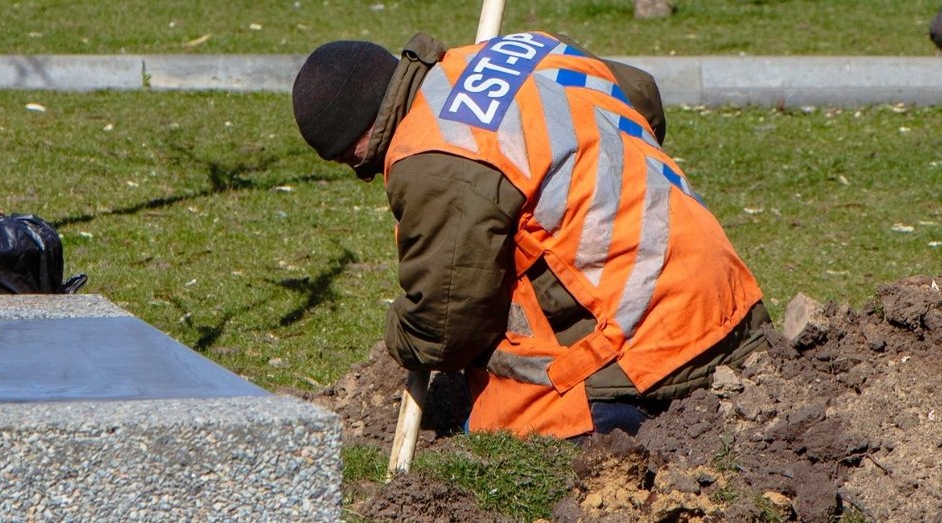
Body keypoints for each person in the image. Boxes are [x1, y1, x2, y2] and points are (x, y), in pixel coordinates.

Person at [292, 30, 770, 438]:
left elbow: (446, 329)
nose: (363, 174)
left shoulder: (434, 159)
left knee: (498, 431)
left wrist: (402, 332)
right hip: (724, 294)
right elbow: (641, 93)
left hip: (641, 358)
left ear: (359, 136)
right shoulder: (518, 49)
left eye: (349, 162)